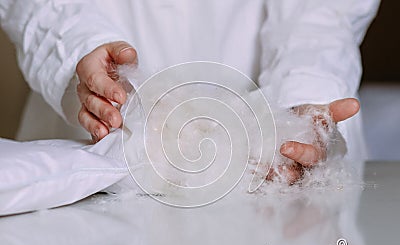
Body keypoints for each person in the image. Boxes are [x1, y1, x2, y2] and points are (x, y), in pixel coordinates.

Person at [0, 0, 380, 182]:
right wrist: (80, 45)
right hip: (92, 150)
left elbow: (323, 13)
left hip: (275, 178)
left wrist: (302, 98)